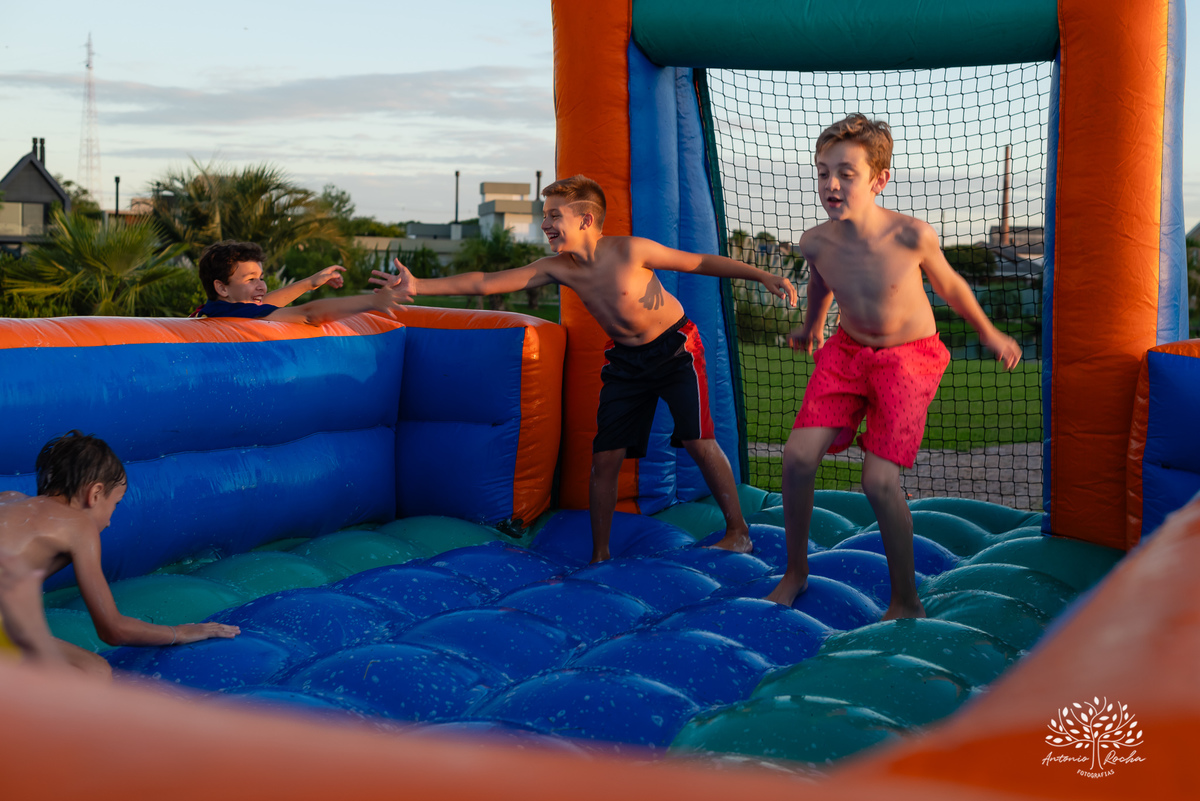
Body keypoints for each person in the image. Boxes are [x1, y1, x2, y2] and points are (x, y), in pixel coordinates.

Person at [372, 175, 797, 562]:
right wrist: (419, 287)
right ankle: (600, 554)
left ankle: (738, 531)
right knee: (605, 458)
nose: (545, 225)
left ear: (586, 219)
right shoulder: (559, 268)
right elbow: (486, 281)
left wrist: (761, 275)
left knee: (697, 439)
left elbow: (699, 262)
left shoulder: (631, 251)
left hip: (675, 348)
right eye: (544, 216)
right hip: (626, 362)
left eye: (554, 216)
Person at [764, 114, 1023, 620]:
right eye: (822, 172)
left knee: (878, 482)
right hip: (846, 352)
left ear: (879, 179)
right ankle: (795, 572)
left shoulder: (910, 235)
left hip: (909, 361)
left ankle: (905, 598)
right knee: (797, 458)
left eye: (846, 172)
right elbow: (821, 282)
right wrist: (814, 326)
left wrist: (989, 332)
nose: (831, 184)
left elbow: (949, 285)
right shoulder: (816, 241)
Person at [0, 432, 242, 678]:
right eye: (115, 504)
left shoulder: (9, 498)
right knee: (93, 671)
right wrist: (179, 632)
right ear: (95, 494)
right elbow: (112, 630)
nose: (109, 522)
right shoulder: (79, 525)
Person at [191, 240, 405, 323]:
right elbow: (309, 314)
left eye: (261, 278)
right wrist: (372, 302)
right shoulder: (232, 314)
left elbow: (266, 305)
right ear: (221, 287)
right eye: (250, 279)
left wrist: (310, 283)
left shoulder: (215, 309)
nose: (261, 286)